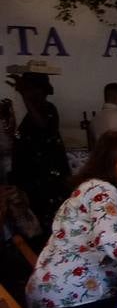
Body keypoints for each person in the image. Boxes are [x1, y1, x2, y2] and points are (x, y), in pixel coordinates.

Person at [25, 131, 117, 308]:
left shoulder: (90, 189)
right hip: (75, 307)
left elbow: (114, 225)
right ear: (109, 162)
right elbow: (110, 241)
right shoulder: (103, 190)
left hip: (49, 306)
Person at [8, 71, 69, 231]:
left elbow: (42, 126)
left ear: (41, 91)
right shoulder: (28, 118)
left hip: (48, 186)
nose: (28, 93)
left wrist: (24, 96)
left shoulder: (48, 110)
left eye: (31, 89)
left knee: (51, 228)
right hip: (36, 186)